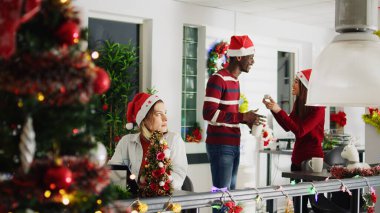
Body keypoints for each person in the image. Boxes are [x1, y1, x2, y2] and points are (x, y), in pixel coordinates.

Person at [203, 35, 265, 193]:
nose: (253, 61)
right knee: (222, 196)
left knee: (229, 196)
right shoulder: (218, 79)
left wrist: (246, 120)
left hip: (233, 143)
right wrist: (243, 117)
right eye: (250, 57)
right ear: (238, 56)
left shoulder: (234, 80)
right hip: (221, 145)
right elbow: (209, 113)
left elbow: (227, 114)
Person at [262, 69, 325, 213]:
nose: (293, 84)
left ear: (304, 86)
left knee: (315, 201)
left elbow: (300, 130)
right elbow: (287, 126)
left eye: (296, 81)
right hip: (297, 159)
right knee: (298, 203)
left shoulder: (318, 108)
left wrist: (279, 110)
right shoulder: (299, 104)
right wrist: (274, 109)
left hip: (312, 161)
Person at [108, 92, 188, 190]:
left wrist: (163, 178)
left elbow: (178, 179)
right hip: (133, 201)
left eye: (165, 113)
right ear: (144, 119)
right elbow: (113, 174)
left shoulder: (174, 140)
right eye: (159, 114)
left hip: (165, 201)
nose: (165, 118)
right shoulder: (126, 142)